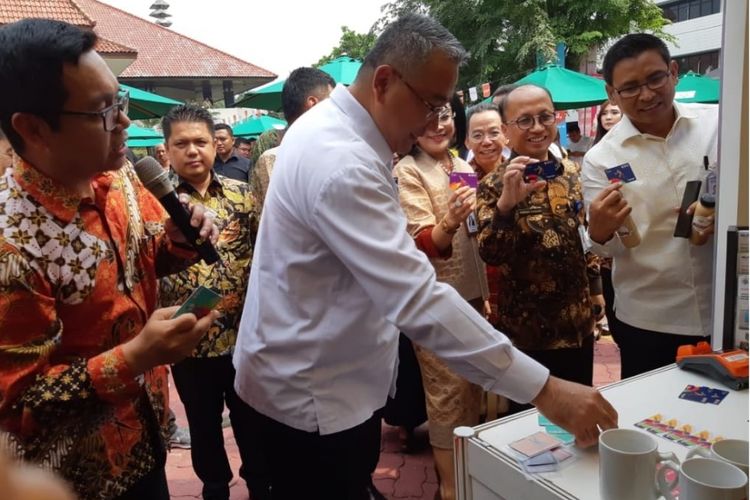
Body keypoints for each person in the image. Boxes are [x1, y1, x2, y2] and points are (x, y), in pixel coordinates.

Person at [233, 14, 617, 500]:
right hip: (313, 396)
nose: (435, 122)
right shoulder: (342, 162)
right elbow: (416, 297)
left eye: (445, 106)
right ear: (385, 81)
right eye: (430, 104)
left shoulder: (334, 129)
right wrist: (546, 390)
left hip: (317, 375)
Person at [0, 19, 219, 499]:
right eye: (103, 111)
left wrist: (182, 240)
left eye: (119, 101)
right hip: (77, 475)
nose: (124, 122)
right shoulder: (11, 244)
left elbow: (146, 258)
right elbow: (17, 403)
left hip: (150, 432)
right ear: (34, 128)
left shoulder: (118, 177)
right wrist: (137, 355)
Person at [582, 33, 717, 378]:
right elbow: (606, 246)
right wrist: (597, 229)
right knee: (654, 420)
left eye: (655, 78)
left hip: (725, 303)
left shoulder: (719, 125)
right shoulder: (601, 158)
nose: (646, 94)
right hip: (649, 318)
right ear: (612, 93)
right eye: (630, 87)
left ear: (673, 72)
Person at [475, 84, 604, 413]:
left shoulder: (573, 174)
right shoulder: (493, 184)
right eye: (525, 120)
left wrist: (596, 289)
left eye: (545, 117)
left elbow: (583, 236)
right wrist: (505, 208)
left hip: (577, 326)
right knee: (529, 428)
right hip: (527, 333)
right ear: (506, 131)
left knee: (578, 416)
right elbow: (490, 253)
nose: (537, 127)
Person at [159, 104, 264, 500]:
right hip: (188, 342)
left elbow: (263, 256)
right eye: (181, 143)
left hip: (244, 338)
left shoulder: (242, 195)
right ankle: (215, 487)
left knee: (253, 420)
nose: (192, 151)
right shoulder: (154, 205)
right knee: (203, 426)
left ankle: (260, 484)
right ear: (166, 150)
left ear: (216, 143)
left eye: (200, 141)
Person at [393, 102, 487, 500]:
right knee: (447, 393)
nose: (438, 124)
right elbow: (422, 241)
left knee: (472, 387)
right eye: (427, 116)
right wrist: (449, 220)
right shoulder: (407, 170)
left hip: (474, 294)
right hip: (433, 300)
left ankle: (471, 474)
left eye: (445, 115)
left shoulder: (460, 163)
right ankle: (449, 488)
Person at [250, 67, 334, 213]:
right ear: (313, 104)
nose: (336, 109)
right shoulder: (269, 153)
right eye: (332, 101)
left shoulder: (334, 148)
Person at [464, 101, 507, 327]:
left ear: (506, 134)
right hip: (482, 280)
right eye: (478, 135)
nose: (487, 141)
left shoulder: (520, 173)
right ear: (467, 141)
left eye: (494, 132)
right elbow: (466, 234)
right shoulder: (462, 177)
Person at [591, 100, 624, 341]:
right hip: (607, 252)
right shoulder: (596, 156)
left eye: (615, 112)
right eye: (605, 113)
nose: (609, 117)